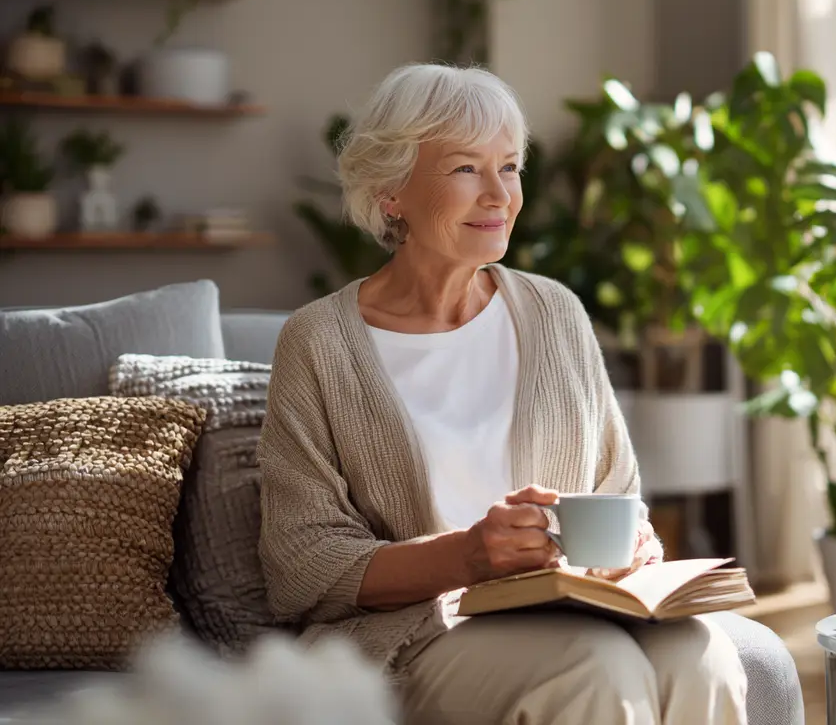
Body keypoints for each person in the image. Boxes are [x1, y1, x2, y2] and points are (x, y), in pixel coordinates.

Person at [257, 63, 801, 725]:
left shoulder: (554, 313)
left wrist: (633, 545)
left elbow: (616, 490)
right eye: (466, 170)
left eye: (509, 168)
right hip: (420, 634)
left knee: (703, 655)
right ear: (391, 190)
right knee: (593, 673)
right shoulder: (318, 344)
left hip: (572, 611)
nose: (499, 196)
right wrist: (467, 556)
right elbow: (302, 567)